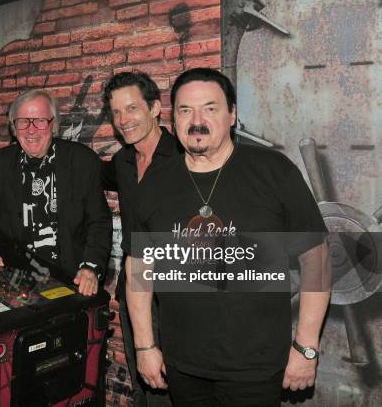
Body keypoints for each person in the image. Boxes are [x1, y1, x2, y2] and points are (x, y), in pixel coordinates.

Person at [126, 68, 330, 406]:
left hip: (256, 368)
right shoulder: (153, 183)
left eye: (210, 108)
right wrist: (145, 346)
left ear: (232, 114)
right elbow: (139, 267)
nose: (197, 120)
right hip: (183, 366)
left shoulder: (273, 171)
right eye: (185, 110)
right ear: (172, 118)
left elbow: (317, 258)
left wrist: (306, 348)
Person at [0, 89, 111, 296]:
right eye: (23, 121)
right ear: (14, 127)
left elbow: (99, 221)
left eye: (40, 121)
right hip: (16, 284)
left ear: (53, 124)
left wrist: (91, 267)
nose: (31, 130)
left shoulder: (82, 161)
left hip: (71, 282)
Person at [102, 72, 177, 406]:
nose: (123, 120)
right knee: (145, 387)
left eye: (131, 108)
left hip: (178, 297)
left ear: (155, 108)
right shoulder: (122, 161)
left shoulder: (184, 157)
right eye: (116, 112)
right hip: (135, 294)